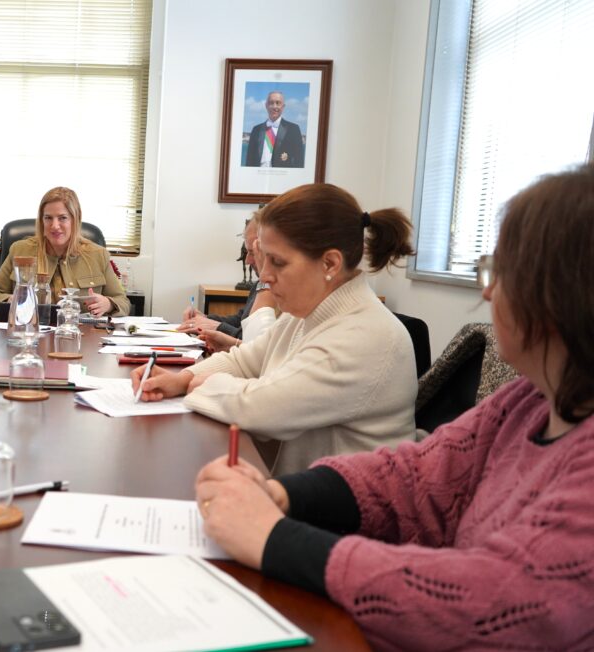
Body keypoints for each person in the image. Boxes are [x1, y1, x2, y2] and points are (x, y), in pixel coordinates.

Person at [195, 164, 594, 651]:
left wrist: (274, 538)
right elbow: (416, 476)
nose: (488, 291)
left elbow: (493, 596)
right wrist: (285, 495)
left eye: (500, 271)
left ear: (563, 296)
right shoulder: (527, 401)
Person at [134, 183, 418, 475]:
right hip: (297, 495)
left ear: (330, 263)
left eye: (278, 262)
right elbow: (244, 360)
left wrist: (202, 384)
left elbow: (262, 409)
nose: (265, 275)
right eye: (264, 257)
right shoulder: (305, 314)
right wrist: (183, 378)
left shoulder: (366, 337)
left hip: (342, 516)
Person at [0, 187, 130, 317]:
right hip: (30, 331)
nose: (55, 226)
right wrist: (9, 299)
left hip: (81, 335)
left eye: (63, 218)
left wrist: (108, 303)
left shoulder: (98, 254)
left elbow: (123, 302)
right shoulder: (20, 250)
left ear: (75, 220)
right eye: (48, 218)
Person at [180, 215, 278, 349]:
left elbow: (256, 344)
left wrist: (218, 327)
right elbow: (240, 321)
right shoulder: (260, 285)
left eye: (253, 252)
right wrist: (206, 319)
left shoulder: (282, 291)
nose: (247, 261)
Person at [244, 91, 305, 168]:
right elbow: (249, 160)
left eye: (278, 103)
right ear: (266, 106)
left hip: (282, 177)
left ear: (283, 106)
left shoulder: (293, 129)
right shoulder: (256, 130)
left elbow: (299, 162)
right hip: (258, 176)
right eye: (271, 103)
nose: (274, 106)